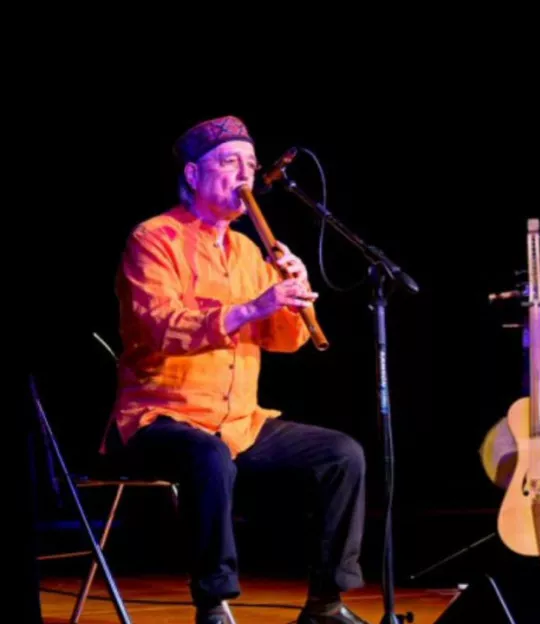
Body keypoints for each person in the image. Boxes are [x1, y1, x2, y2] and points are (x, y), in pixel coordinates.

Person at [107, 115, 370, 624]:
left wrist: (294, 296)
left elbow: (284, 342)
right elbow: (159, 326)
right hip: (160, 417)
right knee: (206, 456)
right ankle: (214, 601)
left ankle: (327, 600)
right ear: (192, 175)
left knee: (342, 454)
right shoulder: (153, 239)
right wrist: (252, 307)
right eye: (230, 163)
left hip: (238, 421)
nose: (244, 176)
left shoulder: (251, 251)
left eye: (250, 164)